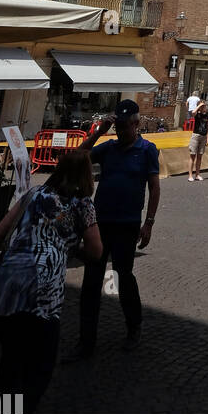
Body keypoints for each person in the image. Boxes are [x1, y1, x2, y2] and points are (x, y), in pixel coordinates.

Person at [0, 150, 102, 413]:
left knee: (11, 359)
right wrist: (68, 244)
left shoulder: (33, 194)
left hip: (4, 287)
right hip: (42, 293)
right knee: (40, 368)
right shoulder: (82, 205)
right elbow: (96, 251)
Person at [69, 99, 160, 358]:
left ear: (136, 124)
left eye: (125, 127)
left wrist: (149, 223)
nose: (121, 132)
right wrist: (99, 131)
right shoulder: (108, 147)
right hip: (99, 222)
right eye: (118, 127)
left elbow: (154, 187)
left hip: (127, 224)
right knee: (91, 280)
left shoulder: (147, 150)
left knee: (123, 276)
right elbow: (78, 157)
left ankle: (134, 326)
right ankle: (86, 341)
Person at [188, 100, 208, 182]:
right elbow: (193, 113)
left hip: (203, 136)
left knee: (200, 156)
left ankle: (197, 174)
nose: (204, 107)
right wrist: (198, 106)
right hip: (196, 136)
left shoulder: (207, 114)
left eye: (204, 106)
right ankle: (190, 175)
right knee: (192, 155)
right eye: (203, 106)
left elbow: (207, 126)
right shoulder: (197, 114)